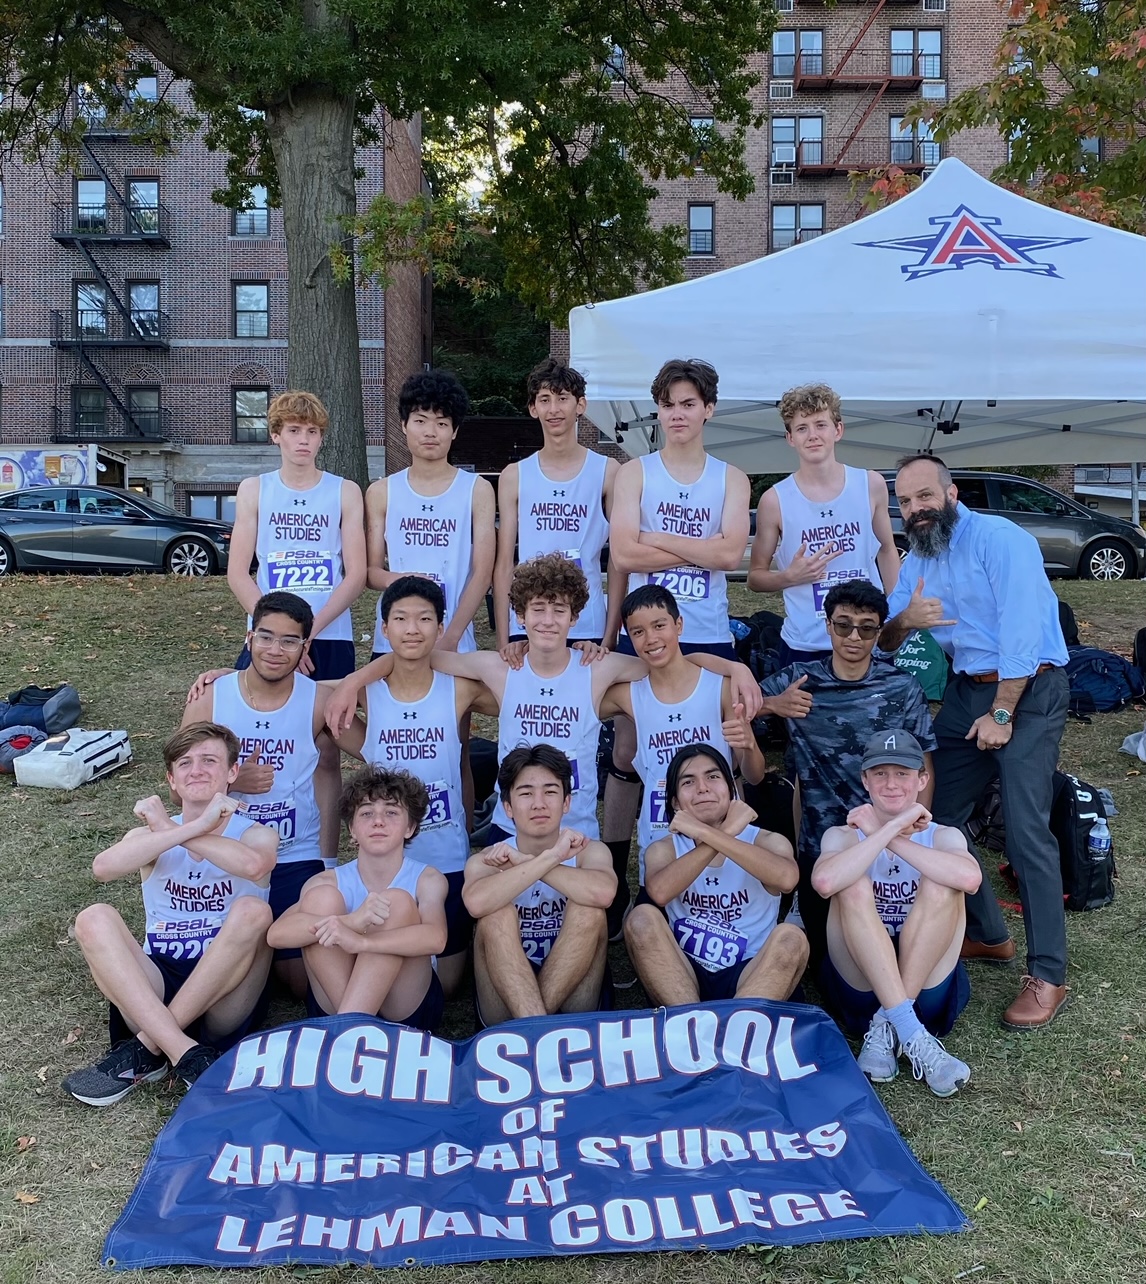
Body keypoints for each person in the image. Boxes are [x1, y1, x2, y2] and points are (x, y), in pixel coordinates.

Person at [880, 454, 1070, 1031]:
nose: (915, 509)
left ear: (951, 492)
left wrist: (1005, 712)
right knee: (931, 815)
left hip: (1029, 685)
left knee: (1024, 824)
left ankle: (1048, 974)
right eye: (905, 502)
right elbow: (886, 638)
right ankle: (989, 933)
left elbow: (1023, 631)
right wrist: (907, 619)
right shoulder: (919, 557)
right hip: (967, 690)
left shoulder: (1000, 539)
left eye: (923, 496)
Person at [62, 724, 277, 1106]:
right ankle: (184, 1053)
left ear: (231, 772)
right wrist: (185, 827)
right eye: (184, 763)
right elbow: (102, 868)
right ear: (171, 780)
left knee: (253, 910)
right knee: (93, 917)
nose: (196, 769)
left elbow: (254, 865)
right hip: (156, 983)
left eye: (209, 760)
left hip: (226, 987)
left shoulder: (255, 832)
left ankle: (146, 1050)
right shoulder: (148, 837)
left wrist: (173, 826)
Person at [605, 358, 753, 905]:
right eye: (668, 404)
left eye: (688, 403)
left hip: (706, 630)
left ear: (708, 409)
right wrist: (701, 548)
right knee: (628, 750)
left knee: (718, 755)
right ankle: (622, 880)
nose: (677, 414)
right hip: (646, 627)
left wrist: (660, 537)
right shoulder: (636, 472)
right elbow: (622, 551)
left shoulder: (730, 477)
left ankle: (723, 869)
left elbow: (731, 552)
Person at [758, 579, 937, 964]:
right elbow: (733, 705)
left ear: (878, 631)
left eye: (867, 628)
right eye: (843, 625)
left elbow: (923, 764)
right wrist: (774, 704)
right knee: (828, 961)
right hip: (821, 846)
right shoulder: (800, 680)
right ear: (827, 625)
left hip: (886, 839)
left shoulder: (901, 686)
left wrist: (918, 828)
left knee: (894, 950)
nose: (853, 636)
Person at [335, 575, 499, 996]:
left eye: (425, 619)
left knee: (445, 988)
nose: (412, 629)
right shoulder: (366, 694)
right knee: (388, 969)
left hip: (446, 858)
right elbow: (306, 699)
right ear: (384, 628)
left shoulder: (460, 688)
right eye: (401, 619)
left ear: (440, 628)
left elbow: (518, 687)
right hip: (384, 862)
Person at [182, 591, 344, 997]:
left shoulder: (318, 701)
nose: (276, 650)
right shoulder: (212, 698)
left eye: (290, 641)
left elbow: (376, 741)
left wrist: (357, 680)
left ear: (305, 647)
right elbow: (177, 790)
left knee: (299, 983)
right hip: (227, 854)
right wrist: (231, 783)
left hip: (293, 854)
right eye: (266, 637)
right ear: (249, 637)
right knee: (223, 965)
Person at [812, 730, 981, 1098]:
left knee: (942, 882)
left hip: (925, 981)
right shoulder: (842, 835)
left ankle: (889, 1025)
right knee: (850, 883)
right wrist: (887, 829)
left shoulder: (942, 835)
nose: (891, 784)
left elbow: (969, 878)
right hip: (859, 978)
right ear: (865, 780)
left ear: (922, 780)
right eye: (880, 773)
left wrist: (890, 836)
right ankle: (911, 1032)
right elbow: (824, 882)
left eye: (902, 773)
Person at [602, 585, 767, 899]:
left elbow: (755, 775)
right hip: (662, 837)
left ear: (678, 625)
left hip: (722, 832)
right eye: (638, 632)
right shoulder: (629, 694)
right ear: (628, 637)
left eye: (659, 626)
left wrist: (749, 746)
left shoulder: (721, 688)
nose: (650, 639)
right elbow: (579, 691)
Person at [268, 766, 448, 1031]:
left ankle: (348, 1034)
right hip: (335, 997)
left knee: (396, 902)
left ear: (410, 827)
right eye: (366, 813)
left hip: (405, 1004)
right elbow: (276, 935)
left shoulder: (427, 878)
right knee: (322, 901)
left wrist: (362, 941)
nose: (378, 821)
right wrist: (350, 922)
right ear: (352, 829)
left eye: (391, 812)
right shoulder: (327, 881)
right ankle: (355, 1029)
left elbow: (436, 938)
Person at [625, 745, 807, 1005]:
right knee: (641, 918)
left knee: (792, 938)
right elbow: (660, 892)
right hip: (684, 973)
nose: (702, 787)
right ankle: (690, 1023)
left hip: (753, 970)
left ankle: (737, 1028)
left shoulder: (767, 840)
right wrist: (723, 834)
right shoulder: (664, 849)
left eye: (712, 777)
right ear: (676, 801)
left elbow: (787, 880)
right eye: (688, 781)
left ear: (731, 789)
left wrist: (711, 834)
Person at [463, 745, 616, 1024]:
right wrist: (551, 859)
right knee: (495, 915)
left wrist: (528, 863)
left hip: (575, 993)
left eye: (550, 791)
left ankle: (532, 1029)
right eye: (525, 793)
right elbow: (476, 903)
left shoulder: (588, 850)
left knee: (589, 910)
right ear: (507, 807)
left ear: (566, 803)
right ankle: (539, 1029)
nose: (539, 803)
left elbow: (603, 893)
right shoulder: (489, 858)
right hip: (503, 998)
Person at [749, 383, 898, 664]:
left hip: (865, 636)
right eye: (802, 428)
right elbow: (755, 577)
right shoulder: (775, 500)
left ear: (837, 430)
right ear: (790, 438)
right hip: (806, 642)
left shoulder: (870, 484)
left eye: (820, 424)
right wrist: (789, 577)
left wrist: (897, 612)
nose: (812, 435)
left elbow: (888, 551)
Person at [227, 390, 366, 681]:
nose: (304, 439)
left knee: (328, 722)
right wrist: (281, 633)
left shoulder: (345, 491)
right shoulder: (254, 490)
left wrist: (305, 635)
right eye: (294, 430)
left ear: (321, 437)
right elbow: (238, 574)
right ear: (276, 435)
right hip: (269, 638)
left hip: (330, 633)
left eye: (312, 431)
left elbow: (356, 575)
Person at [493, 358, 623, 651]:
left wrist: (610, 632)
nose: (554, 409)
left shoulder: (608, 471)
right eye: (545, 399)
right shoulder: (514, 476)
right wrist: (504, 639)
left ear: (580, 405)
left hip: (586, 622)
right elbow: (504, 565)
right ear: (533, 408)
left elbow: (617, 561)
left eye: (563, 398)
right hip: (528, 622)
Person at [364, 370, 496, 657]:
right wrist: (397, 579)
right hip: (393, 641)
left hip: (454, 640)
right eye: (420, 421)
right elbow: (371, 572)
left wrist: (450, 638)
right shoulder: (381, 492)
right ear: (404, 425)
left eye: (441, 423)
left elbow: (483, 574)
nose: (430, 432)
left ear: (455, 430)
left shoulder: (477, 489)